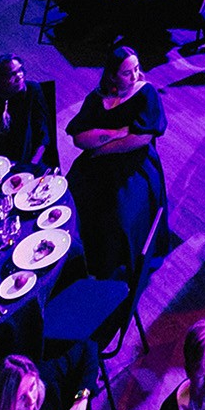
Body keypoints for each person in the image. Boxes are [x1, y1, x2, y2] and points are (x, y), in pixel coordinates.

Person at [67, 42, 171, 282]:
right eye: (127, 72)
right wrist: (115, 133)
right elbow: (80, 138)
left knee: (118, 212)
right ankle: (84, 260)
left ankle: (120, 264)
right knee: (73, 195)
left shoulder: (146, 93)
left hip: (135, 164)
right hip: (97, 161)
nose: (134, 76)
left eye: (136, 69)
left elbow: (140, 139)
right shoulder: (97, 97)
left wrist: (101, 148)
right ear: (113, 76)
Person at [0, 56, 56, 168]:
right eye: (12, 74)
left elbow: (43, 132)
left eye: (20, 69)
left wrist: (30, 166)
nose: (20, 75)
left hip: (26, 160)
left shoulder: (32, 91)